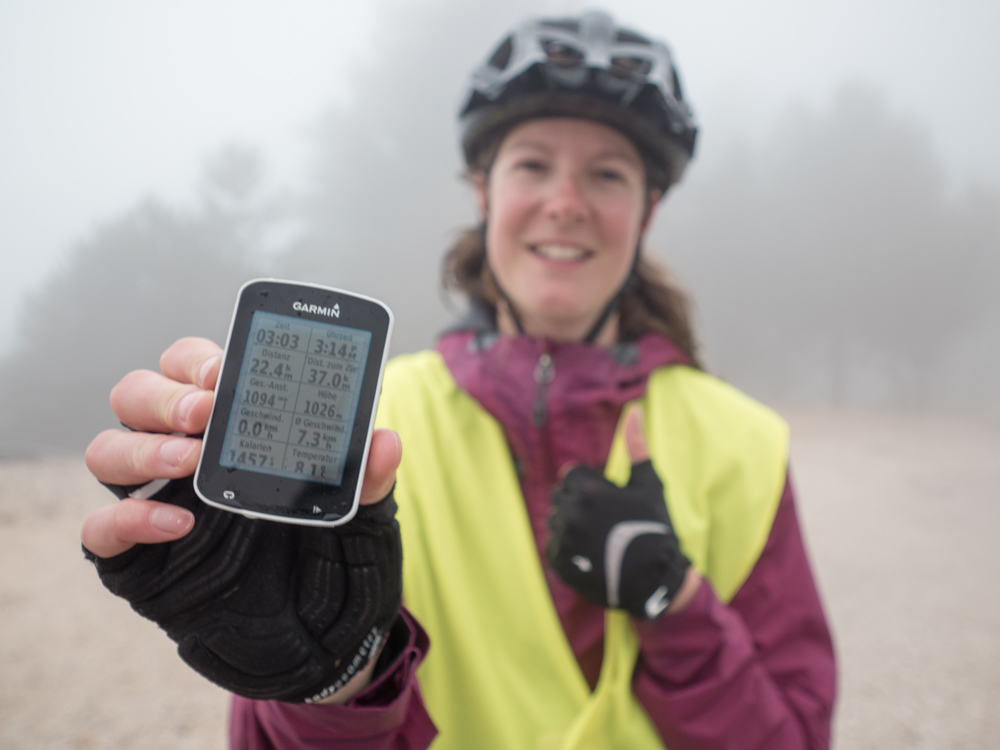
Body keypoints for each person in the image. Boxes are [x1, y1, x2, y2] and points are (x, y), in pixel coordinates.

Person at [81, 10, 836, 749]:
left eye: (607, 174)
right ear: (483, 191)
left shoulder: (744, 444)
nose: (566, 202)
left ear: (647, 211)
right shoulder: (373, 423)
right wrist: (330, 682)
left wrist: (676, 605)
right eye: (533, 165)